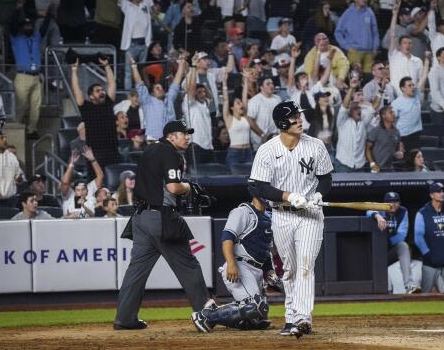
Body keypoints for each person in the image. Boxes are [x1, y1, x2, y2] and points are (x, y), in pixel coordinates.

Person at [116, 120, 212, 331]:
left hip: (140, 218)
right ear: (170, 137)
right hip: (161, 218)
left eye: (188, 133)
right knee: (189, 265)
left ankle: (125, 318)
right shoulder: (170, 153)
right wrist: (189, 187)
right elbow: (174, 187)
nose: (187, 137)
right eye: (182, 133)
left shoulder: (149, 150)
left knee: (136, 272)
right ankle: (206, 314)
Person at [248, 100, 333, 337]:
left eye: (299, 116)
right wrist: (287, 195)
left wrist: (318, 194)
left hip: (310, 215)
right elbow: (259, 187)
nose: (299, 120)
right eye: (294, 117)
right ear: (281, 122)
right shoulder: (267, 150)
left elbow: (326, 179)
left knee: (306, 265)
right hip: (282, 215)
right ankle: (291, 318)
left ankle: (303, 318)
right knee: (291, 269)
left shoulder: (315, 146)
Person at [193, 192, 278, 331]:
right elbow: (227, 238)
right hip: (241, 266)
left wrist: (270, 271)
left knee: (259, 314)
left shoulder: (269, 217)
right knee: (254, 307)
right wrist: (231, 264)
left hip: (257, 271)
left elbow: (265, 249)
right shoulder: (242, 212)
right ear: (256, 192)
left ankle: (242, 319)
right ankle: (205, 316)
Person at [104, 0, 168, 89]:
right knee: (129, 72)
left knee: (141, 70)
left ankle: (141, 93)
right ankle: (129, 95)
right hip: (131, 45)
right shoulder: (126, 5)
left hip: (143, 44)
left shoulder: (145, 4)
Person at [71, 57, 120, 169]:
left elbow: (112, 84)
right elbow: (76, 89)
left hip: (113, 150)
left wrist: (107, 66)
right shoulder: (86, 107)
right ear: (91, 96)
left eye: (102, 90)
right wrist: (74, 70)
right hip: (95, 153)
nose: (102, 92)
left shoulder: (108, 103)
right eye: (98, 91)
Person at [366, 192, 420, 294]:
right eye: (389, 202)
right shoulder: (380, 210)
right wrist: (377, 216)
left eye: (395, 202)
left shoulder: (403, 211)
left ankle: (409, 285)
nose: (392, 204)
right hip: (376, 253)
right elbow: (368, 211)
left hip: (390, 250)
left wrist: (386, 241)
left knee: (403, 246)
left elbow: (402, 235)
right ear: (384, 203)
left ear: (399, 203)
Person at [414, 182, 444, 293]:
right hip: (430, 263)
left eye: (443, 191)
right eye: (438, 192)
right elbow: (418, 237)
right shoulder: (422, 213)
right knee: (425, 294)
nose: (442, 194)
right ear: (432, 195)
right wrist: (427, 254)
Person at [9, 12, 51, 140]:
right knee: (21, 105)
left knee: (36, 106)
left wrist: (50, 11)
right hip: (23, 76)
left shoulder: (36, 37)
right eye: (25, 26)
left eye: (30, 26)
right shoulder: (16, 38)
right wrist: (18, 10)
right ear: (21, 28)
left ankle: (32, 130)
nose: (28, 28)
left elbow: (44, 27)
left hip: (37, 77)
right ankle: (17, 130)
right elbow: (11, 26)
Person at [132, 53, 186, 140]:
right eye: (157, 88)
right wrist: (134, 67)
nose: (161, 89)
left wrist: (182, 64)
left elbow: (176, 83)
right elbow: (139, 85)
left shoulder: (169, 99)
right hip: (154, 140)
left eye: (161, 88)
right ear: (152, 93)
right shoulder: (148, 101)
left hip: (170, 140)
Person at [391, 52, 430, 152]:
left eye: (413, 85)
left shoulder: (416, 94)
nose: (412, 87)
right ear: (403, 88)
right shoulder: (396, 103)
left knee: (415, 159)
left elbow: (424, 76)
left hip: (416, 134)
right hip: (402, 136)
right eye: (409, 85)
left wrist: (427, 60)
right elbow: (391, 121)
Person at [335, 0, 380, 73]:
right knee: (355, 77)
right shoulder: (348, 13)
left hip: (369, 52)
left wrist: (375, 47)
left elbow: (375, 33)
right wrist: (346, 46)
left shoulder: (369, 12)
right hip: (354, 52)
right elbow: (338, 32)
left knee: (369, 78)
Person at [388, 4, 424, 98]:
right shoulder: (394, 56)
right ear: (399, 46)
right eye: (405, 43)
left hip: (413, 98)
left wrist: (421, 96)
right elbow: (392, 35)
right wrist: (394, 15)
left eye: (409, 43)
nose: (407, 45)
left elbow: (421, 81)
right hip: (397, 98)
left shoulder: (418, 61)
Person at [221, 71, 254, 169]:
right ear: (232, 107)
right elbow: (226, 100)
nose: (241, 104)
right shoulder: (229, 118)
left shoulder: (245, 116)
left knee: (251, 179)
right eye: (238, 103)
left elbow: (244, 97)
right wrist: (224, 83)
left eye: (241, 103)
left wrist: (246, 80)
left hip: (248, 151)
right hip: (235, 153)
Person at [59, 148, 104, 218]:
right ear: (74, 191)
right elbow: (64, 182)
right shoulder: (69, 195)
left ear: (87, 190)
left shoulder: (90, 193)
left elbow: (100, 176)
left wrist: (93, 160)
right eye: (78, 190)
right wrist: (71, 164)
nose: (81, 192)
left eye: (83, 189)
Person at [334, 78, 367, 172]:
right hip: (343, 164)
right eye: (355, 109)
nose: (359, 110)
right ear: (350, 111)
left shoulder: (364, 122)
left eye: (359, 108)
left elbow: (373, 109)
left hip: (360, 165)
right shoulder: (342, 121)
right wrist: (351, 88)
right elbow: (344, 107)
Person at [366, 105, 404, 173]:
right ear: (383, 116)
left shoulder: (396, 131)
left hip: (390, 168)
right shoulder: (375, 131)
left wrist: (400, 152)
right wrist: (372, 164)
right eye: (390, 112)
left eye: (393, 112)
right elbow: (367, 149)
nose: (393, 114)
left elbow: (398, 147)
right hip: (376, 169)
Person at [247, 77, 282, 151]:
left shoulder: (278, 99)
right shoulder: (255, 101)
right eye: (268, 84)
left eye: (272, 83)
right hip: (259, 141)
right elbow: (250, 120)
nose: (271, 86)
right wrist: (262, 135)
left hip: (276, 139)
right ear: (261, 87)